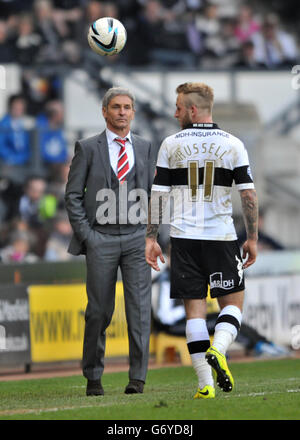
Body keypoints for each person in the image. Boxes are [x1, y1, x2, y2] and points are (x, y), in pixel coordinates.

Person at [145, 82, 258, 399]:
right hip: (220, 237)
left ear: (193, 110)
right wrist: (252, 238)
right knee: (233, 306)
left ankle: (205, 385)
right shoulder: (232, 144)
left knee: (194, 312)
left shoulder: (170, 144)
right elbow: (247, 194)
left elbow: (158, 197)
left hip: (183, 240)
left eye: (179, 107)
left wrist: (150, 238)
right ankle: (220, 349)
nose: (175, 112)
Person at [65, 86, 158, 396]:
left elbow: (154, 195)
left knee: (139, 310)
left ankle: (138, 379)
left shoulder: (145, 147)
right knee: (99, 312)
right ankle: (93, 377)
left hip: (136, 237)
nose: (122, 112)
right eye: (116, 107)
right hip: (100, 238)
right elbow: (73, 195)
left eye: (127, 107)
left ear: (133, 112)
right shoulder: (87, 147)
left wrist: (153, 236)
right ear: (104, 111)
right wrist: (87, 236)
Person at [152, 260, 290, 358]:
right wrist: (191, 309)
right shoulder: (165, 279)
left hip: (185, 319)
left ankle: (263, 343)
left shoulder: (180, 275)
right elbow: (165, 316)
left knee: (227, 317)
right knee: (223, 322)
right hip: (172, 326)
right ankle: (259, 346)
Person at [0, 94, 30, 166]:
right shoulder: (3, 124)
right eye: (16, 108)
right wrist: (12, 158)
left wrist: (25, 157)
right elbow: (1, 146)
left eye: (21, 108)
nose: (18, 110)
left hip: (24, 161)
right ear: (10, 107)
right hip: (7, 162)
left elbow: (27, 145)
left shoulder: (25, 124)